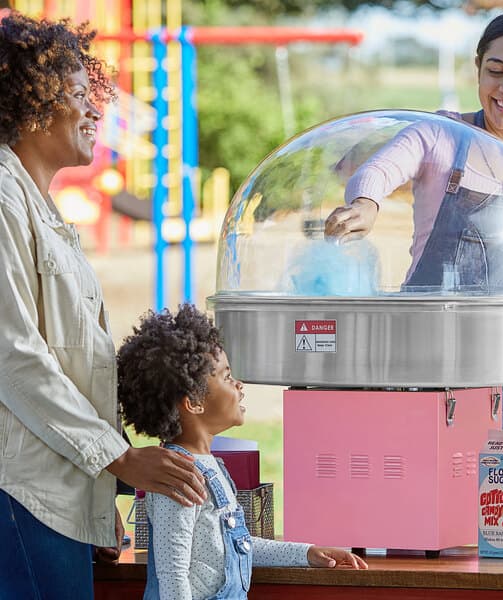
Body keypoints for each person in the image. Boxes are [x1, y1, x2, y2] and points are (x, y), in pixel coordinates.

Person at [0, 13, 207, 599]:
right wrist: (118, 459)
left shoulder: (40, 206)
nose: (95, 111)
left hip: (54, 496)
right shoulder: (3, 199)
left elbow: (74, 366)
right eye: (76, 95)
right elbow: (13, 358)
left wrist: (98, 492)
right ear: (29, 100)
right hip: (20, 495)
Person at [324, 10, 503, 452]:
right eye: (496, 71)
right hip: (427, 358)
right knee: (424, 501)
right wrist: (364, 204)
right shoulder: (440, 135)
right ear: (478, 66)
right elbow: (378, 170)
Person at [117, 304, 368, 600]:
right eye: (226, 377)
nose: (239, 385)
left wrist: (307, 553)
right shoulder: (175, 477)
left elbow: (238, 545)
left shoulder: (209, 467)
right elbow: (173, 577)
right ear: (193, 402)